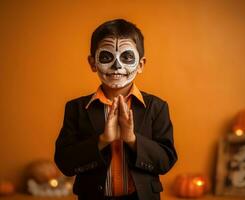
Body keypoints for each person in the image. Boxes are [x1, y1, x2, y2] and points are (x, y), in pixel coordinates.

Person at [54, 18, 177, 200]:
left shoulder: (156, 107)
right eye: (106, 57)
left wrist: (132, 140)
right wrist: (102, 140)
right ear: (92, 63)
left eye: (127, 57)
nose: (117, 66)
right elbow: (65, 163)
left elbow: (166, 161)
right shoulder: (77, 108)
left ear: (141, 64)